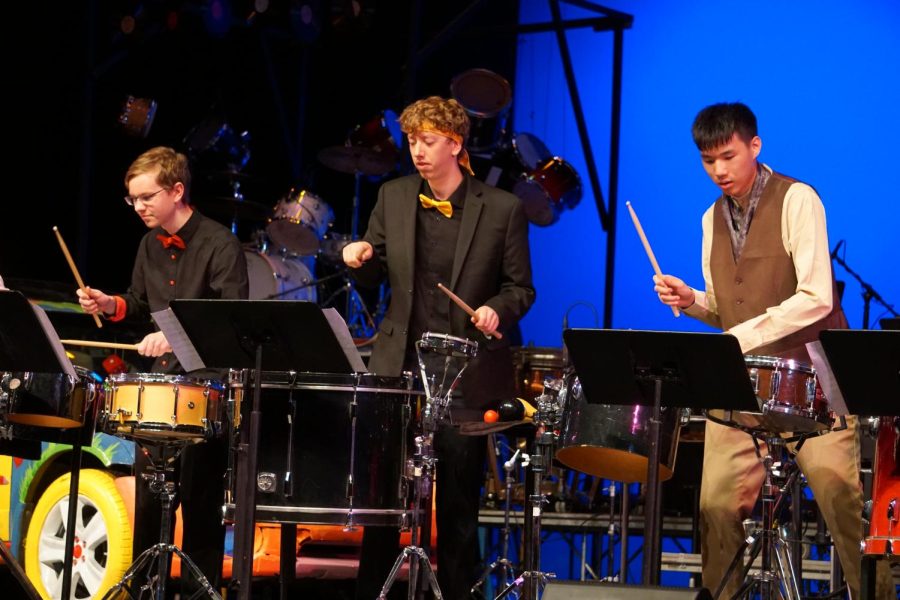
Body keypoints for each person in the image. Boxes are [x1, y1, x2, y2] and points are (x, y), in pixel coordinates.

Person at [654, 102, 894, 598]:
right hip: (743, 388)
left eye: (727, 156)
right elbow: (730, 308)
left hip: (812, 385)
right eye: (707, 160)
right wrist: (694, 301)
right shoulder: (710, 218)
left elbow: (817, 296)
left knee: (841, 503)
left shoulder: (796, 199)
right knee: (716, 507)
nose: (718, 170)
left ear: (754, 146)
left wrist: (737, 337)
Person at [343, 96, 535, 600]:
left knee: (456, 512)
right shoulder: (394, 196)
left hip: (465, 374)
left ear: (455, 143)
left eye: (428, 141)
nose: (418, 151)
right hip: (399, 370)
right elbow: (375, 267)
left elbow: (520, 288)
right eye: (412, 141)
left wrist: (497, 309)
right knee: (382, 506)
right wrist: (360, 257)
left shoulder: (502, 209)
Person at [77, 146, 248, 592]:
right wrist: (109, 304)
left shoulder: (221, 244)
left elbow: (232, 320)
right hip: (159, 389)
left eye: (147, 197)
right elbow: (138, 305)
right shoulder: (148, 245)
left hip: (204, 389)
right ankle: (145, 590)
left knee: (199, 505)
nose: (139, 207)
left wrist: (176, 336)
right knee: (152, 506)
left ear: (177, 190)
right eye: (132, 199)